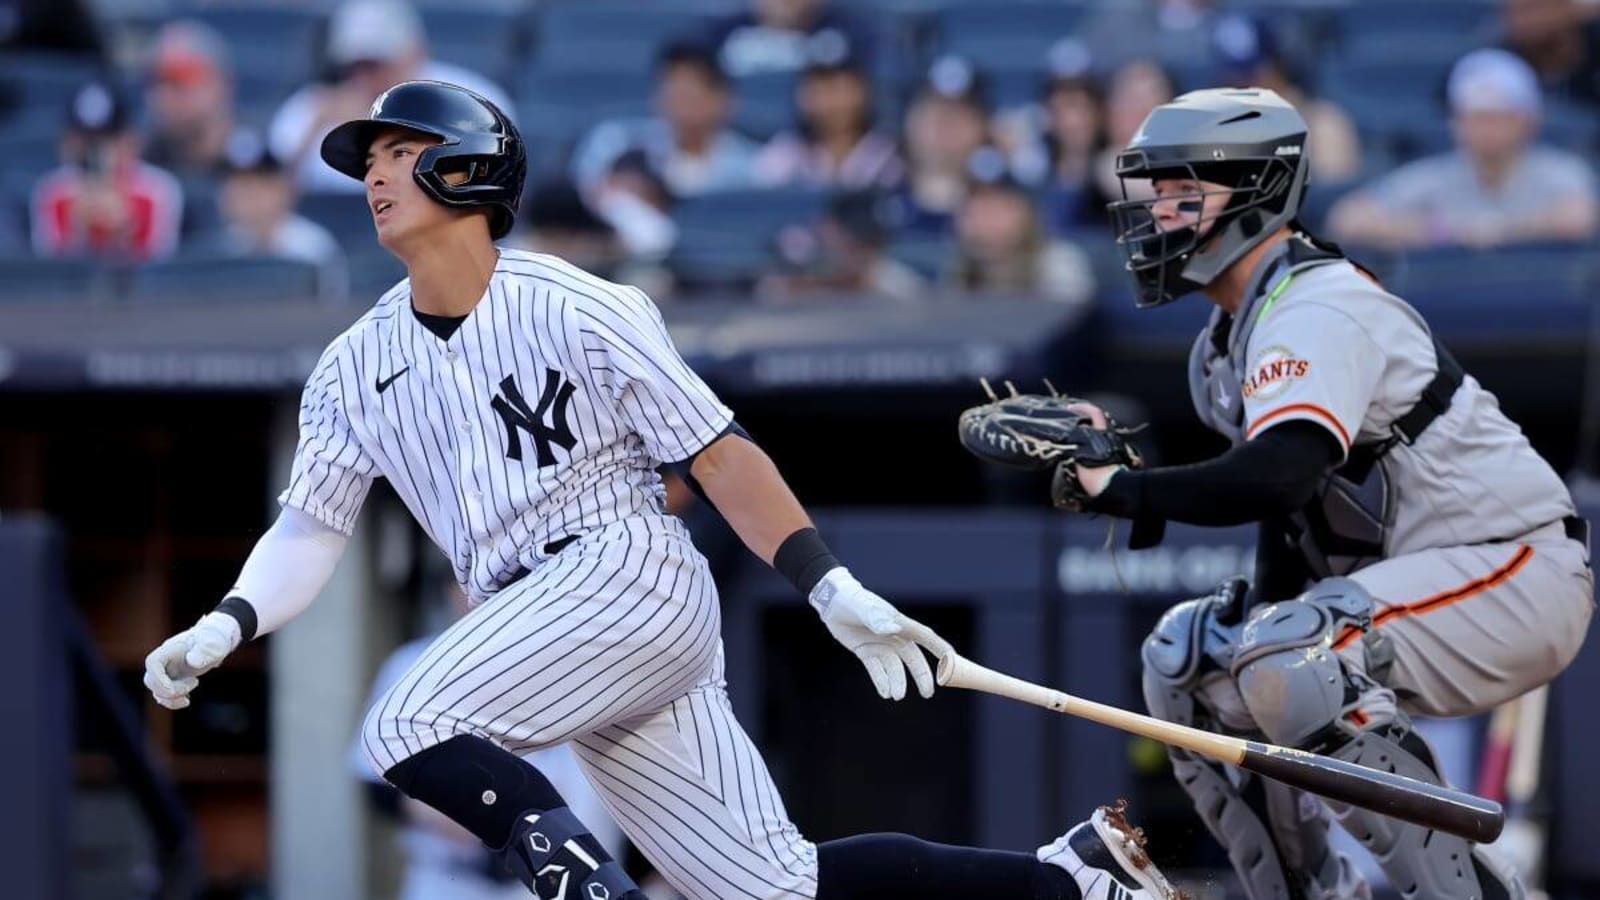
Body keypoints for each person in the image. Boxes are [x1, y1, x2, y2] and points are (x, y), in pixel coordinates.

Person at [141, 79, 1179, 900]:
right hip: (539, 622)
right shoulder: (352, 362)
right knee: (775, 884)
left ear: (471, 168)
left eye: (401, 154)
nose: (374, 176)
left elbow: (719, 453)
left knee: (406, 720)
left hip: (621, 571)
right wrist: (230, 620)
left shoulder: (576, 304)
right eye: (369, 160)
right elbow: (310, 530)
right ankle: (1068, 878)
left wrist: (830, 587)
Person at [1018, 86, 1592, 899]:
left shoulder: (1315, 304)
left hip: (1514, 570)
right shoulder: (1226, 339)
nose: (1162, 216)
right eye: (1159, 195)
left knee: (1295, 648)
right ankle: (1301, 891)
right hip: (1415, 586)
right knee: (1189, 664)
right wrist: (1252, 644)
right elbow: (1293, 518)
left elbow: (1282, 469)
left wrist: (1130, 493)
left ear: (1258, 191)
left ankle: (1470, 892)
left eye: (1187, 193)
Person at [352, 582, 629, 900]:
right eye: (466, 587)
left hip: (566, 879)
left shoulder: (580, 669)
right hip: (447, 880)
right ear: (451, 594)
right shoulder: (413, 664)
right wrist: (472, 821)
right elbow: (376, 786)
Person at [1327, 48, 1597, 249]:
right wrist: (1438, 232)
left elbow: (1578, 219)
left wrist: (1497, 232)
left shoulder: (1563, 172)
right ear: (1456, 123)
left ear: (1529, 122)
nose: (1488, 129)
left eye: (1501, 117)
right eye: (1477, 118)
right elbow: (1349, 219)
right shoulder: (1433, 176)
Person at [268, 0, 511, 194]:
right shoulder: (311, 108)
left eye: (376, 64)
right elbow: (268, 198)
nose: (365, 77)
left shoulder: (472, 100)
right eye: (356, 65)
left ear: (414, 52)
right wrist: (317, 129)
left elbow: (488, 185)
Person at [570, 43, 759, 199]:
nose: (681, 102)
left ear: (723, 100)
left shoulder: (753, 168)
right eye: (673, 89)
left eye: (691, 92)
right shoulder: (616, 143)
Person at [30, 80, 183, 262]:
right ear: (68, 143)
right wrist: (78, 230)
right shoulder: (52, 192)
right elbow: (47, 273)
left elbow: (163, 272)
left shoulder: (157, 190)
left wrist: (127, 229)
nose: (97, 150)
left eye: (108, 139)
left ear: (130, 140)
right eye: (87, 140)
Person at [1208, 13, 1362, 184]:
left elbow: (1331, 193)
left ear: (1278, 66)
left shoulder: (1322, 123)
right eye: (1233, 77)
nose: (1241, 84)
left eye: (1251, 75)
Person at [752, 38, 903, 191]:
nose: (831, 102)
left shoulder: (890, 153)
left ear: (864, 91)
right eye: (820, 89)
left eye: (841, 89)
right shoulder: (784, 152)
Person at [214, 130, 347, 301]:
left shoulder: (313, 248)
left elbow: (333, 308)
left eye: (259, 184)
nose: (247, 196)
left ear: (284, 190)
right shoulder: (220, 250)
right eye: (238, 185)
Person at [945, 171, 1096, 308]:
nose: (982, 221)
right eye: (973, 211)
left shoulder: (1058, 262)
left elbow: (1069, 323)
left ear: (1026, 215)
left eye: (996, 209)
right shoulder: (955, 268)